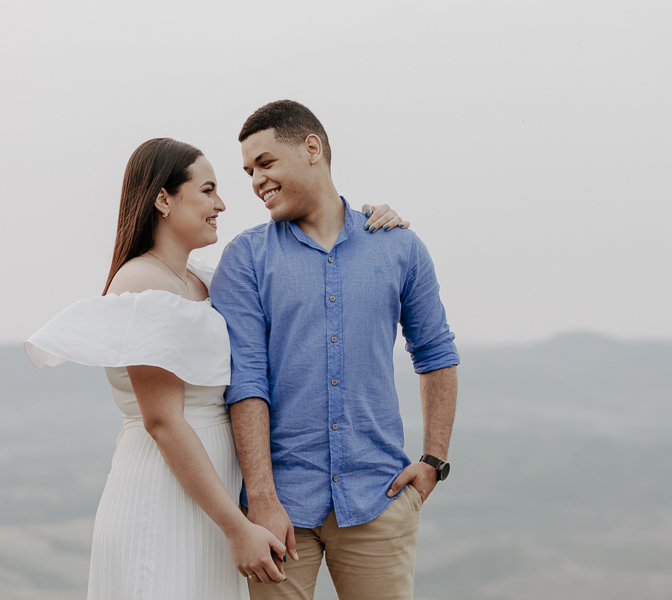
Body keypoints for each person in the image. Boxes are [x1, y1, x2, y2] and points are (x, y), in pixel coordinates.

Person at [23, 137, 409, 600]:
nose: (222, 203)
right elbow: (163, 422)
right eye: (207, 190)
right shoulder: (142, 283)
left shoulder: (201, 279)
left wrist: (368, 223)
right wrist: (236, 526)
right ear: (163, 199)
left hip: (211, 499)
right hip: (167, 492)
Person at [209, 100, 459, 600]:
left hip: (378, 498)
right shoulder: (246, 258)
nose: (256, 181)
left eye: (265, 163)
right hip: (278, 512)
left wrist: (434, 460)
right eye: (248, 172)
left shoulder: (398, 247)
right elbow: (247, 381)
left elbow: (435, 354)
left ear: (312, 148)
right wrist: (260, 498)